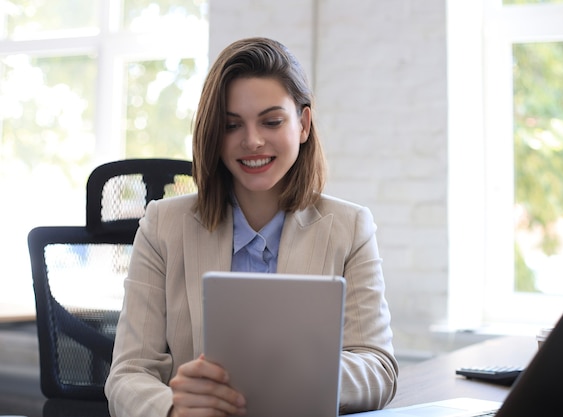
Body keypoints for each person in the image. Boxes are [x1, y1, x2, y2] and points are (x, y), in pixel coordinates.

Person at [105, 37, 398, 417]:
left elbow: (378, 368)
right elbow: (128, 374)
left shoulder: (349, 228)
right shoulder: (163, 226)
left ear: (303, 124)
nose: (253, 141)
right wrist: (176, 409)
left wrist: (302, 375)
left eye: (272, 121)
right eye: (231, 125)